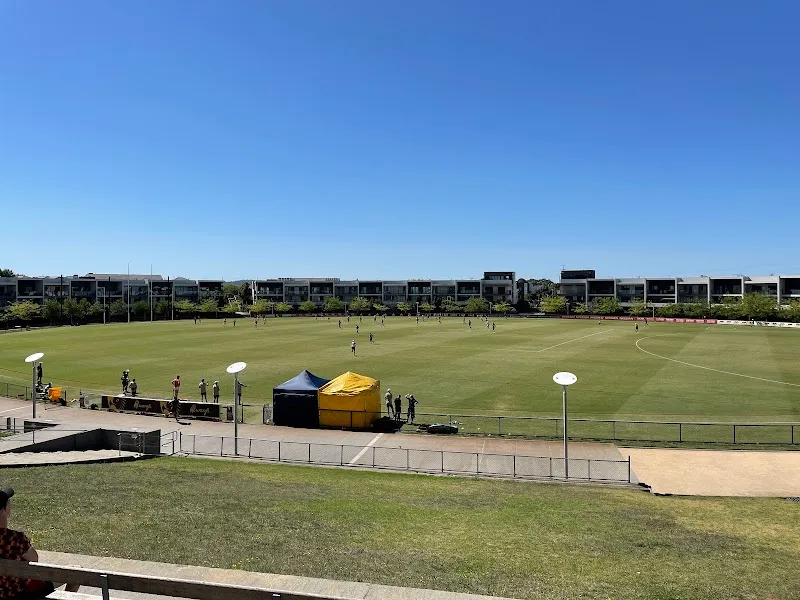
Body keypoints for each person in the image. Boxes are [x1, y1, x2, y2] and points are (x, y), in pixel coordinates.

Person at [0, 488, 80, 598]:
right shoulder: (15, 539)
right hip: (22, 592)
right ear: (5, 510)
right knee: (76, 571)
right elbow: (34, 559)